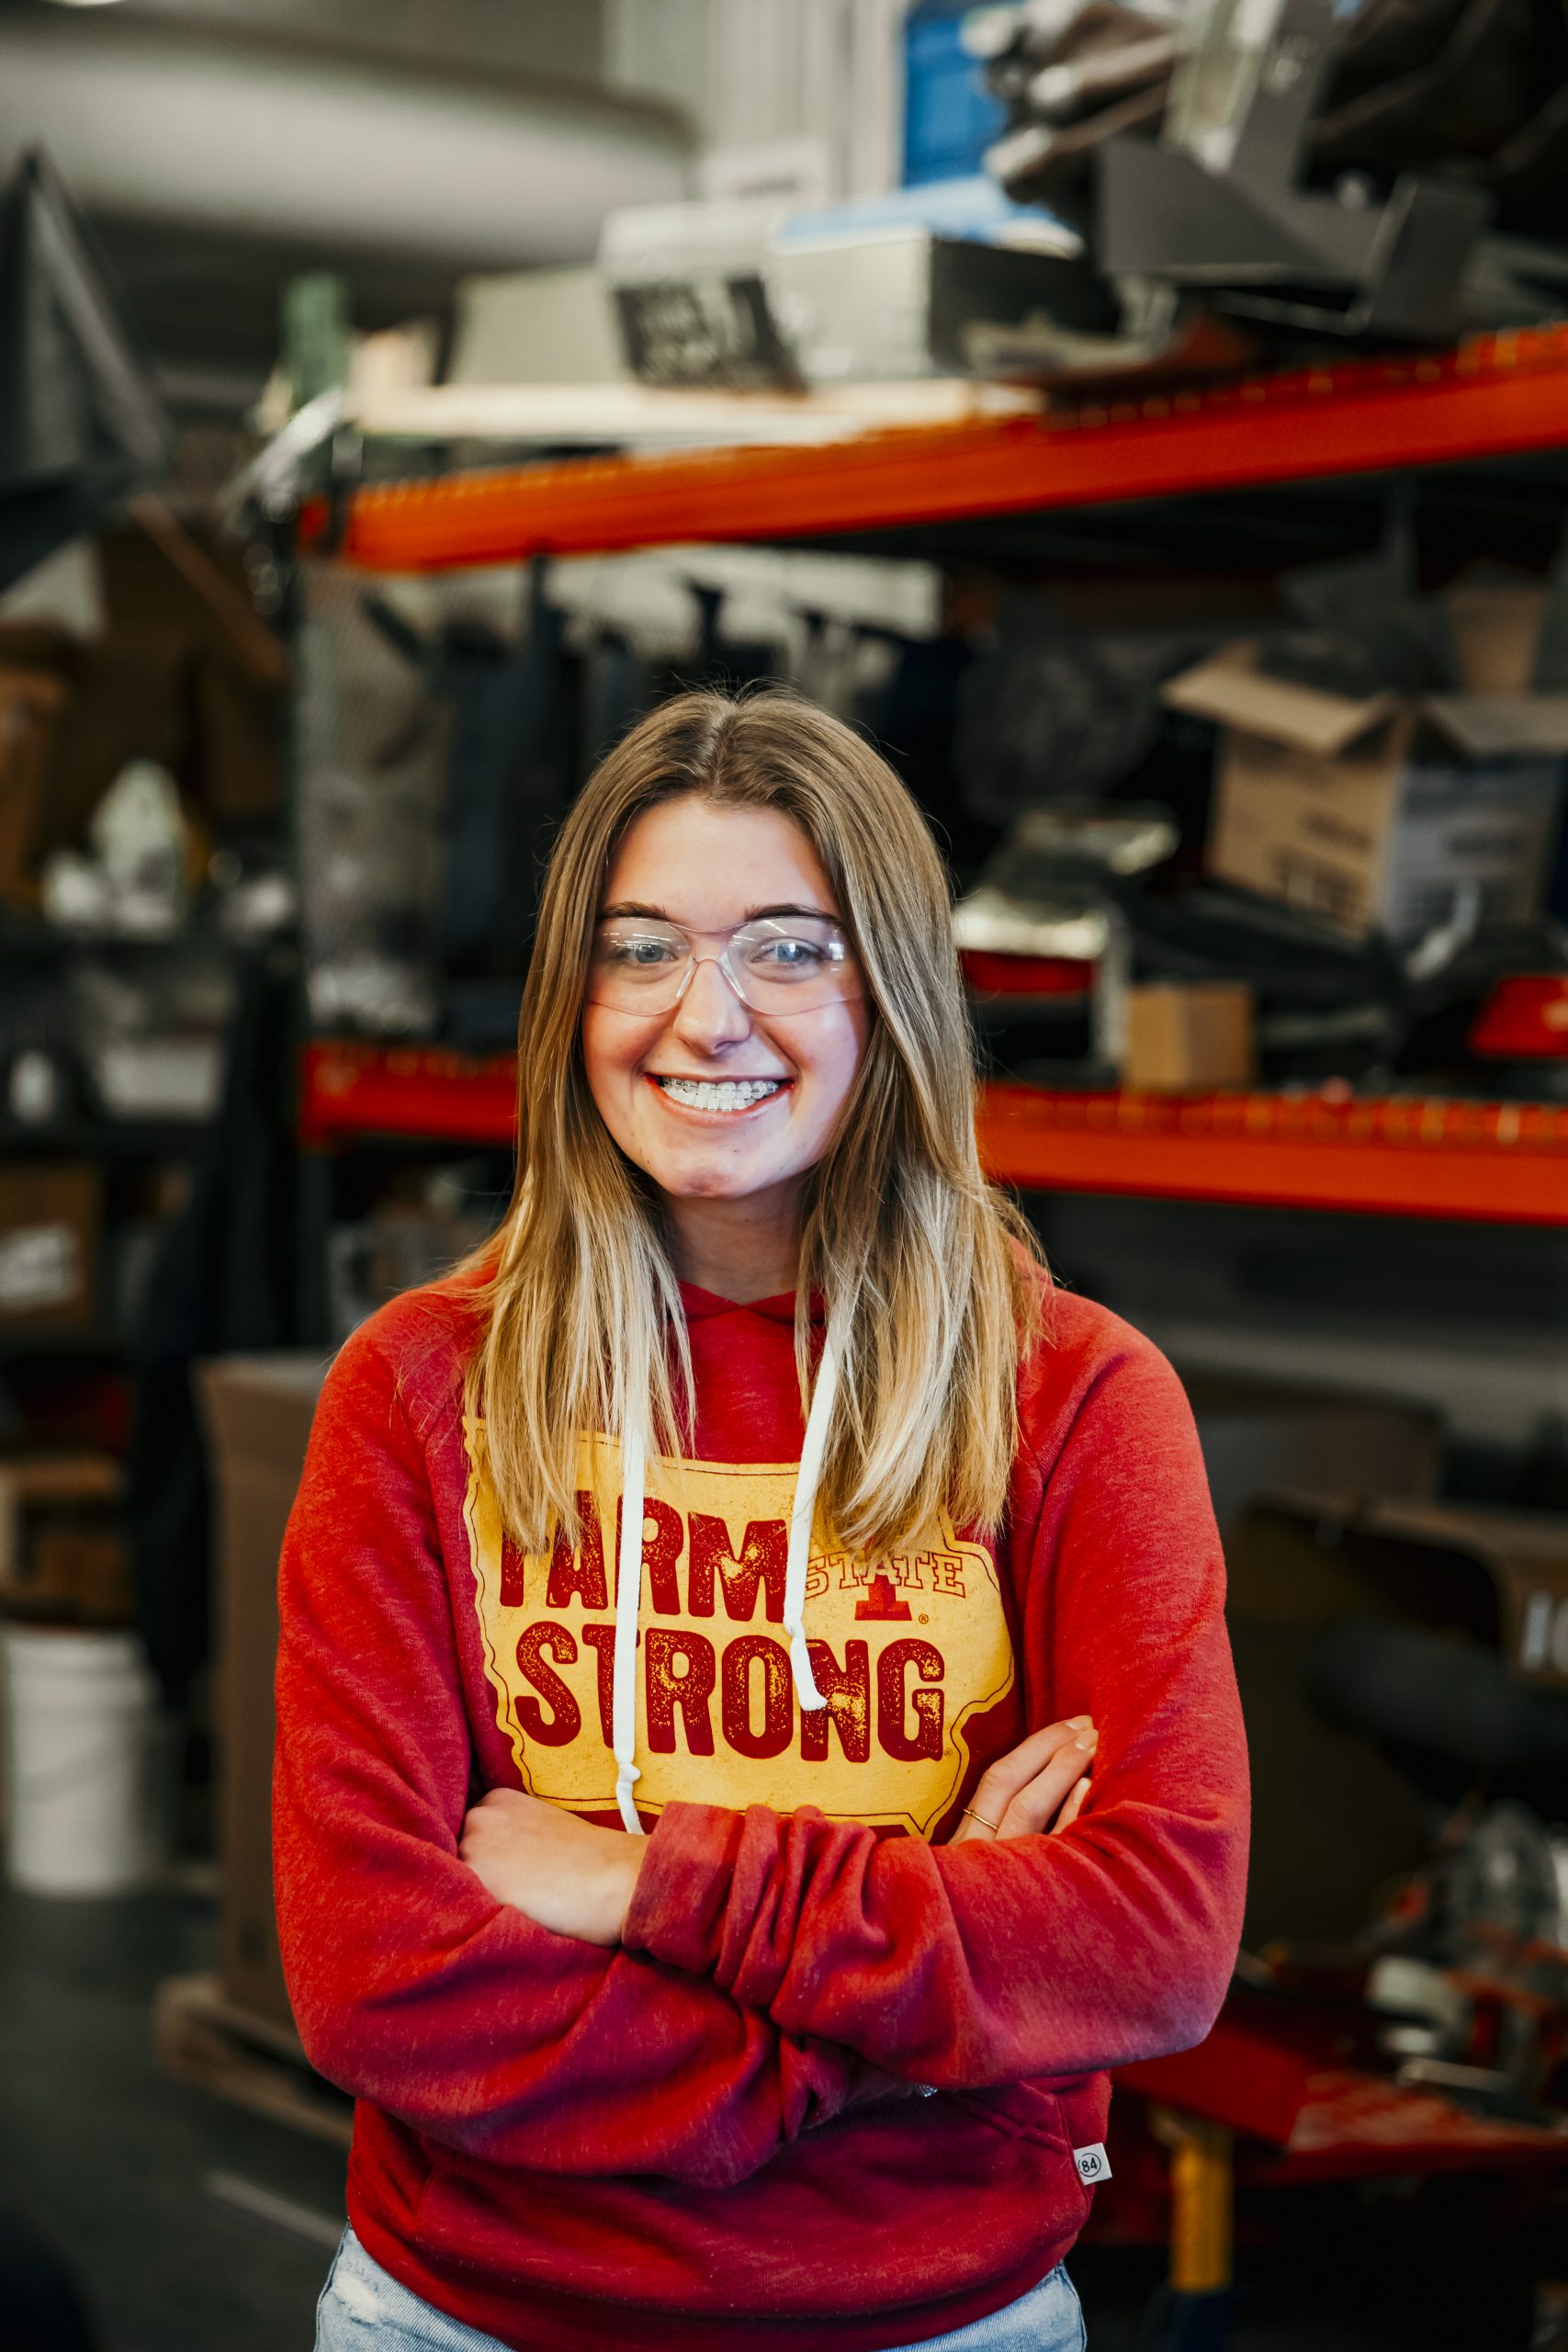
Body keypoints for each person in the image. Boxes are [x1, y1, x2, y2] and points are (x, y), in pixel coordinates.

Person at [276, 689, 1248, 2352]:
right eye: (640, 948)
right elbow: (375, 1973)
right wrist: (904, 2007)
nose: (703, 1016)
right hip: (473, 2316)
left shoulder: (1071, 1396)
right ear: (569, 1000)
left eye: (788, 949)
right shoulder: (418, 1390)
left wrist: (645, 1886)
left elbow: (1152, 1944)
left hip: (938, 2321)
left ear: (893, 994)